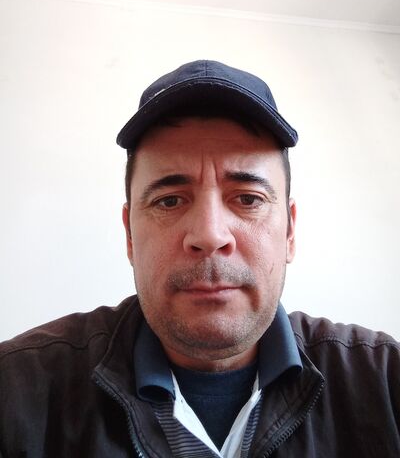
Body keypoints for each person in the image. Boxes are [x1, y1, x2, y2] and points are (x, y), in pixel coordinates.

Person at [0, 60, 399, 458]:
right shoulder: (15, 391)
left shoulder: (385, 383)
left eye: (248, 199)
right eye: (169, 201)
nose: (210, 235)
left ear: (289, 232)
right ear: (130, 236)